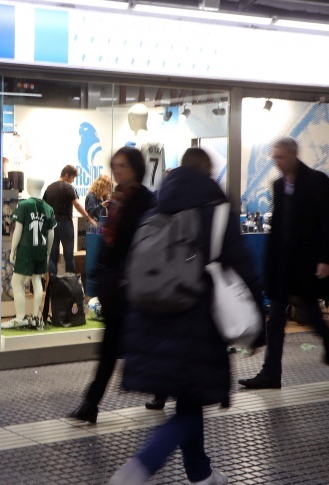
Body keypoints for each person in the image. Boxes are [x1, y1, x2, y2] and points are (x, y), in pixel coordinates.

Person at [109, 148, 265, 485]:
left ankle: (200, 473)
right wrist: (259, 331)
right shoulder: (217, 212)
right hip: (195, 324)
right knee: (192, 402)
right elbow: (245, 270)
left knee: (189, 401)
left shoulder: (156, 207)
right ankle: (139, 467)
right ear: (208, 172)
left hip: (151, 319)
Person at [239, 137, 329, 390]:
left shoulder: (317, 181)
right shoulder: (277, 186)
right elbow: (279, 229)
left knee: (312, 315)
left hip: (306, 264)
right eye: (274, 157)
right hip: (283, 266)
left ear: (294, 155)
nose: (277, 162)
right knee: (275, 319)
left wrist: (325, 259)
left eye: (281, 157)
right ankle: (270, 374)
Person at [70, 147, 153, 423]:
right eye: (114, 165)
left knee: (121, 346)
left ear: (136, 168)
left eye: (123, 166)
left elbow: (144, 243)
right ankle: (91, 403)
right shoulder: (117, 198)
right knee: (114, 346)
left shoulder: (143, 200)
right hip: (116, 285)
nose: (117, 171)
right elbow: (110, 242)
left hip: (132, 284)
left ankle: (91, 403)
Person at [2, 178, 55, 330]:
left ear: (29, 186)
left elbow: (18, 230)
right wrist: (48, 252)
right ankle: (36, 318)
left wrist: (13, 250)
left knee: (16, 282)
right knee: (37, 280)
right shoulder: (48, 208)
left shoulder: (24, 205)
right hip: (41, 249)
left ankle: (20, 318)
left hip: (26, 249)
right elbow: (51, 233)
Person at [43, 165, 88, 275]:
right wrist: (88, 217)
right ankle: (70, 285)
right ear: (66, 175)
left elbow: (43, 207)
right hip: (65, 223)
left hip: (51, 224)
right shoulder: (68, 188)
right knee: (68, 256)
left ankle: (52, 286)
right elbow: (77, 205)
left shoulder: (49, 188)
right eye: (72, 178)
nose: (72, 181)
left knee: (53, 256)